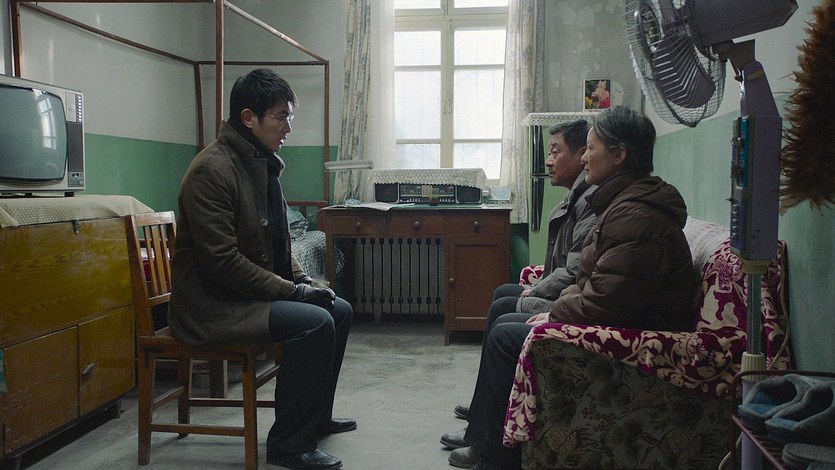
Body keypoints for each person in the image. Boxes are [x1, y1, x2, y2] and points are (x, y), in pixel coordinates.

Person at [459, 106, 697, 469]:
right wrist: (557, 308)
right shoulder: (623, 204)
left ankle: (494, 458)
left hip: (635, 343)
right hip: (622, 323)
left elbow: (607, 302)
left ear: (618, 155)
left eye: (591, 148)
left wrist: (555, 311)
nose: (585, 157)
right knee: (508, 321)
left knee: (507, 333)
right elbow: (592, 282)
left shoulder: (637, 216)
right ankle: (488, 440)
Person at [167, 69, 354, 470]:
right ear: (249, 118)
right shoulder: (211, 171)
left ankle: (314, 418)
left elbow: (280, 240)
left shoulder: (259, 162)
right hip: (212, 306)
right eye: (280, 117)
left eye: (289, 117)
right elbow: (223, 264)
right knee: (314, 323)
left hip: (241, 297)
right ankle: (289, 444)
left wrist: (303, 280)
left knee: (338, 309)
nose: (288, 128)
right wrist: (293, 292)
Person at [440, 120, 597, 467]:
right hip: (569, 295)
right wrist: (535, 289)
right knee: (504, 295)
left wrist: (534, 291)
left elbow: (573, 272)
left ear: (584, 153)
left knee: (506, 313)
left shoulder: (592, 201)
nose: (548, 160)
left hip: (572, 302)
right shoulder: (580, 195)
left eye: (555, 152)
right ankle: (482, 414)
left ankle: (486, 439)